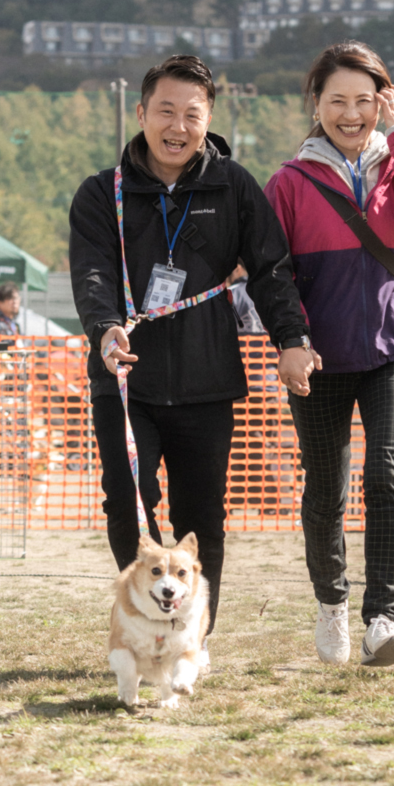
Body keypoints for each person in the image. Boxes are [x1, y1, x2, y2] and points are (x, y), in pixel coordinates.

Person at [69, 54, 314, 638]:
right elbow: (93, 273)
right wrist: (105, 328)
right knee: (128, 501)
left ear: (209, 119)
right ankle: (148, 617)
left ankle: (191, 632)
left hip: (208, 381)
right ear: (141, 113)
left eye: (192, 114)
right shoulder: (104, 193)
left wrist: (292, 339)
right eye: (166, 112)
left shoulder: (233, 186)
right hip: (125, 377)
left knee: (202, 514)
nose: (177, 127)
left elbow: (271, 270)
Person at [264, 41, 394, 668]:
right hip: (317, 360)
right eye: (336, 101)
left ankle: (382, 617)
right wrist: (291, 343)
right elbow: (273, 275)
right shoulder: (289, 184)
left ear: (384, 101)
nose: (351, 114)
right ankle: (331, 602)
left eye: (364, 101)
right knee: (326, 490)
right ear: (316, 105)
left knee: (387, 471)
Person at [227, 263, 266, 335]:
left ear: (237, 268)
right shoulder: (267, 290)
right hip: (268, 344)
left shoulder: (230, 292)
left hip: (241, 343)